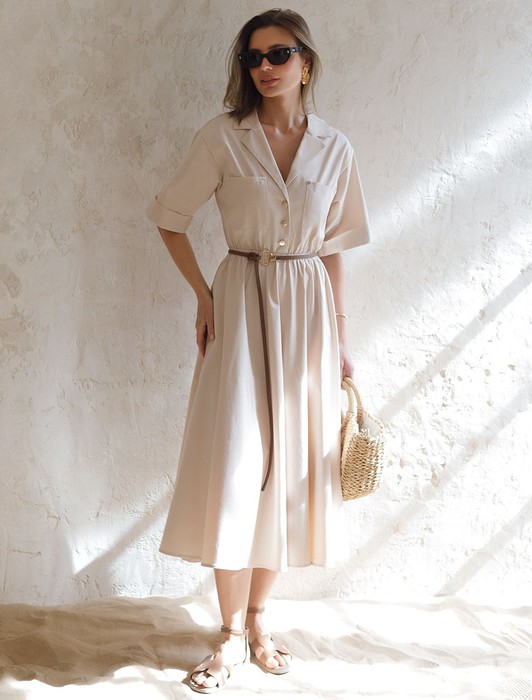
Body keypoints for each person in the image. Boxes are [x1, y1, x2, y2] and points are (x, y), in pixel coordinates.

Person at [146, 7, 370, 694]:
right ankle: (228, 633)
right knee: (236, 467)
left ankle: (259, 621)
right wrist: (202, 296)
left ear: (306, 61)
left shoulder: (334, 148)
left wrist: (340, 337)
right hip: (239, 303)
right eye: (253, 57)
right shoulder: (223, 137)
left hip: (307, 314)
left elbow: (334, 248)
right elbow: (169, 217)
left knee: (291, 473)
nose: (265, 67)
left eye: (278, 54)